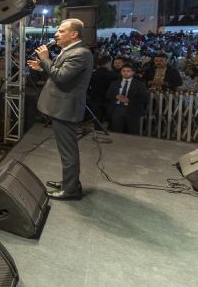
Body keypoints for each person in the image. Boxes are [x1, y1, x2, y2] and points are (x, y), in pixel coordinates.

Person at [27, 18, 93, 200]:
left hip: (66, 109)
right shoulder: (71, 50)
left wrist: (45, 59)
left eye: (62, 31)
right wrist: (42, 67)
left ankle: (71, 190)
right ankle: (69, 182)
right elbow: (60, 72)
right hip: (62, 107)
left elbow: (61, 77)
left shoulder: (80, 53)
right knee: (66, 150)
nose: (57, 34)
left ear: (74, 34)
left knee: (68, 151)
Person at [105, 63, 149, 135]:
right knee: (116, 131)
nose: (125, 73)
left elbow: (144, 98)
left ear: (133, 72)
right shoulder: (114, 83)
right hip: (117, 109)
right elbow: (108, 95)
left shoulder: (140, 84)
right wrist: (116, 96)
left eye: (128, 71)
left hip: (132, 110)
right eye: (123, 71)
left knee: (133, 131)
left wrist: (129, 100)